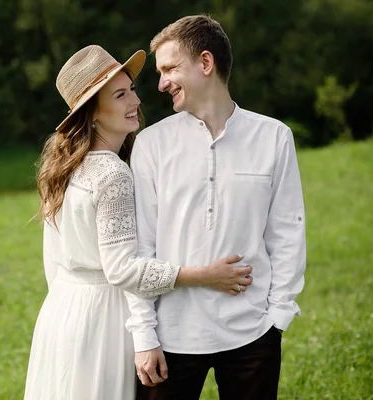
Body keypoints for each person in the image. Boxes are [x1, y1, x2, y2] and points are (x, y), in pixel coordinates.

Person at [23, 45, 254, 400]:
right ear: (93, 113)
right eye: (120, 95)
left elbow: (52, 262)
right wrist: (205, 276)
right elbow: (122, 270)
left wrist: (70, 307)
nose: (135, 101)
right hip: (103, 319)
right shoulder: (113, 174)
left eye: (131, 89)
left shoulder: (64, 169)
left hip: (61, 312)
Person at [127, 15, 307, 400]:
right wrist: (144, 334)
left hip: (252, 333)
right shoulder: (151, 144)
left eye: (170, 68)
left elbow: (287, 231)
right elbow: (141, 248)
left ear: (205, 64)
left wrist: (278, 316)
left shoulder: (273, 137)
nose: (161, 83)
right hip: (171, 335)